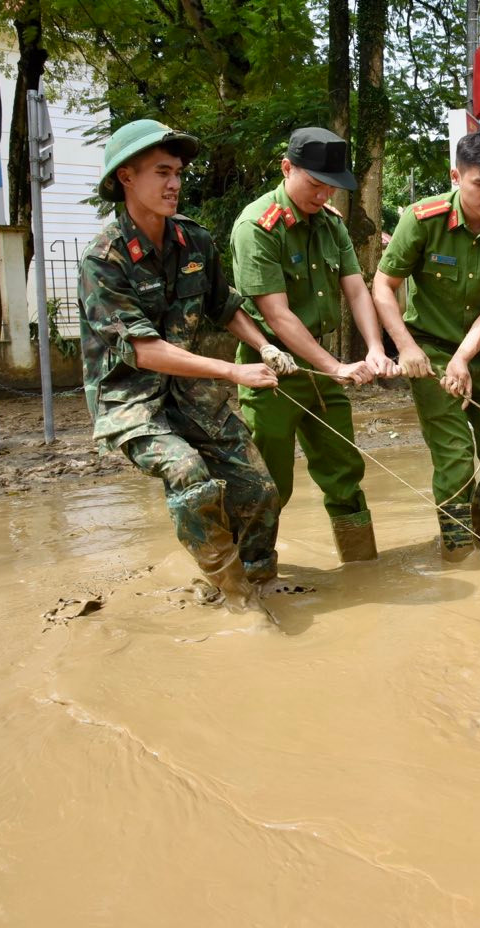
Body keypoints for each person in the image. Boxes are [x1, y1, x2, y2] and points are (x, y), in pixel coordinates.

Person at [78, 119, 280, 620]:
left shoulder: (194, 240)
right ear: (126, 177)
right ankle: (238, 601)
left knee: (259, 488)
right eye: (162, 172)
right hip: (131, 402)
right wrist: (234, 373)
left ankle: (258, 578)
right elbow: (143, 350)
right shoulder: (102, 260)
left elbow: (225, 303)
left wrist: (265, 347)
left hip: (191, 395)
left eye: (178, 173)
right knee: (188, 473)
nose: (174, 184)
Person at [231, 127, 393, 566]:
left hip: (324, 372)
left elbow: (357, 290)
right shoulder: (257, 227)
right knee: (269, 485)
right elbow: (278, 315)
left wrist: (376, 347)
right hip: (272, 372)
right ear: (287, 168)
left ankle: (362, 567)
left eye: (331, 188)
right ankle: (250, 576)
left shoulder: (331, 224)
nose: (323, 197)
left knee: (345, 474)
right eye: (315, 185)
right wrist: (336, 365)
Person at [371, 132, 480, 561]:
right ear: (456, 176)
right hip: (426, 350)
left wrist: (464, 357)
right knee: (457, 463)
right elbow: (383, 287)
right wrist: (404, 348)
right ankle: (459, 559)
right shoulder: (422, 220)